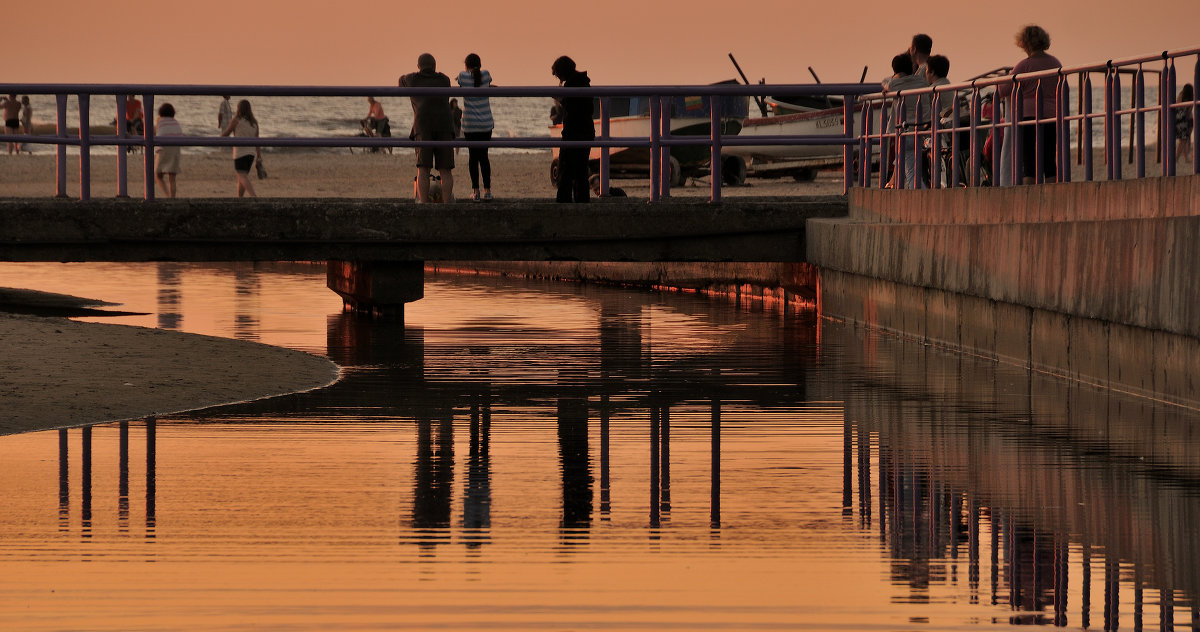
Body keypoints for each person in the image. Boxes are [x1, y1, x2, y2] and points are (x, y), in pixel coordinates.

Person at [400, 53, 456, 203]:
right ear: (435, 66)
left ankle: (423, 204)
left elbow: (400, 80)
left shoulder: (412, 79)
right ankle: (446, 205)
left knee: (423, 169)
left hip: (423, 126)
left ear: (418, 67)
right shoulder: (444, 80)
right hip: (444, 125)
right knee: (445, 170)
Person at [1010, 24, 1062, 184]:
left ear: (1024, 43)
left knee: (1029, 159)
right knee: (1048, 158)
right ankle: (1054, 191)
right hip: (1052, 114)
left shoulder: (1025, 65)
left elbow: (1004, 88)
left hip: (1028, 116)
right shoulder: (1055, 62)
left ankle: (1029, 195)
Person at [551, 55, 594, 203]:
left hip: (573, 132)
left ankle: (564, 201)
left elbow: (573, 109)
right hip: (587, 131)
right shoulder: (584, 82)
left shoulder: (571, 85)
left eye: (558, 76)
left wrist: (560, 98)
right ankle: (582, 201)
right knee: (581, 169)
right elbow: (588, 108)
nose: (559, 80)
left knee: (566, 168)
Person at [885, 53, 928, 189]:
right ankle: (892, 183)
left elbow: (885, 84)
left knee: (911, 173)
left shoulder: (893, 84)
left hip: (907, 131)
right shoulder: (922, 82)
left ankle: (921, 196)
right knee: (903, 160)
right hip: (927, 129)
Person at [457, 53, 495, 201]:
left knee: (473, 158)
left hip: (470, 124)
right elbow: (482, 81)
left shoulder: (462, 76)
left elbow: (463, 80)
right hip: (486, 123)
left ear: (466, 66)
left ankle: (476, 192)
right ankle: (488, 191)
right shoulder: (486, 74)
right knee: (484, 157)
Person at [219, 99, 262, 198]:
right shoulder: (254, 123)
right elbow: (258, 140)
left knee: (241, 176)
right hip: (251, 154)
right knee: (242, 177)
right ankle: (240, 199)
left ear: (239, 109)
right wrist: (259, 156)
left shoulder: (236, 120)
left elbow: (227, 133)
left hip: (240, 152)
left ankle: (253, 196)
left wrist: (217, 139)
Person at [154, 103, 183, 198]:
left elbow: (154, 132)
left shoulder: (160, 122)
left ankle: (167, 195)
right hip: (175, 150)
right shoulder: (176, 122)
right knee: (172, 178)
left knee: (158, 175)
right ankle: (172, 197)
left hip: (164, 149)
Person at [1176, 83, 1194, 163]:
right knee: (1185, 139)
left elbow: (1177, 107)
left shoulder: (1180, 96)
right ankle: (1176, 158)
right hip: (1187, 119)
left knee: (1183, 139)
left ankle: (1186, 158)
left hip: (1179, 120)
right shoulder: (1191, 97)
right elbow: (1189, 111)